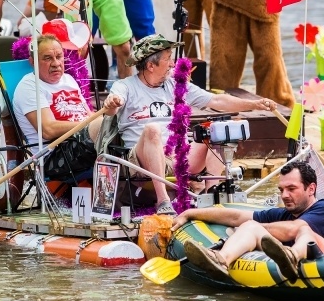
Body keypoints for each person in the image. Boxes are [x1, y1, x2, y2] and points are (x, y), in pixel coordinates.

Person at [102, 34, 278, 216]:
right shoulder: (126, 86)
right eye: (168, 59)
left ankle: (211, 197)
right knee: (152, 129)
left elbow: (216, 100)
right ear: (150, 65)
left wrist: (254, 104)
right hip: (140, 161)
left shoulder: (175, 85)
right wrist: (112, 103)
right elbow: (112, 108)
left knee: (213, 129)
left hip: (178, 157)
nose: (172, 64)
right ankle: (163, 202)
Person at [171, 161, 324, 282]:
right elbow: (236, 217)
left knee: (303, 229)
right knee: (249, 225)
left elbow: (292, 230)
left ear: (311, 189)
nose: (284, 195)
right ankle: (222, 260)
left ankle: (292, 257)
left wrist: (252, 229)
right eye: (281, 189)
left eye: (291, 189)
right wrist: (190, 212)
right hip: (297, 262)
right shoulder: (283, 214)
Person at [12, 22, 121, 174]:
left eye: (59, 56)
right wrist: (91, 125)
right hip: (55, 154)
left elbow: (89, 116)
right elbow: (48, 130)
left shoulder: (69, 79)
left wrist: (109, 111)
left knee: (128, 122)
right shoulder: (29, 86)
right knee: (111, 130)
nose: (56, 63)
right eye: (47, 58)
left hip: (84, 143)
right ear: (33, 62)